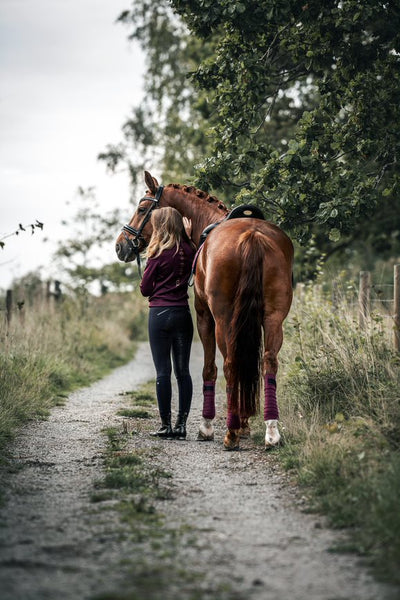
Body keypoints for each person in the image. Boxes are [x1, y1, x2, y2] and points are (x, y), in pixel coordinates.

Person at [140, 207, 196, 439]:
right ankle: (182, 426)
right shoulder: (189, 250)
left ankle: (166, 426)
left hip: (160, 315)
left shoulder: (156, 254)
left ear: (160, 226)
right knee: (183, 372)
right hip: (183, 314)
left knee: (163, 371)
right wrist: (190, 238)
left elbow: (145, 289)